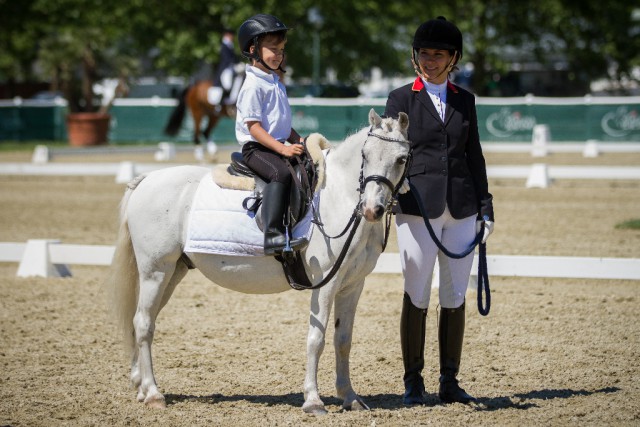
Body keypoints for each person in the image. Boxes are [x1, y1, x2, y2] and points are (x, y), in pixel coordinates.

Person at [384, 16, 495, 406]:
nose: (430, 61)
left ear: (453, 58)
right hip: (417, 207)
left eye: (439, 54)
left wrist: (485, 205)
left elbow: (473, 155)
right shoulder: (401, 99)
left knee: (454, 294)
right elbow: (391, 154)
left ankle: (450, 380)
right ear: (416, 57)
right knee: (416, 292)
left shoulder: (465, 100)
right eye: (425, 53)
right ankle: (413, 381)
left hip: (461, 207)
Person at [235, 13, 308, 256]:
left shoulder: (275, 82)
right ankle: (273, 235)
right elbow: (254, 127)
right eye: (273, 49)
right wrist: (284, 149)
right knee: (281, 173)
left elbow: (283, 125)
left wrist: (298, 140)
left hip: (276, 144)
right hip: (256, 148)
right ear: (254, 49)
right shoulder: (253, 85)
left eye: (281, 50)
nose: (279, 55)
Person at [214, 28, 240, 104]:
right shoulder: (224, 45)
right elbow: (227, 58)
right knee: (227, 83)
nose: (233, 37)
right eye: (232, 35)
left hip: (231, 66)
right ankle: (221, 101)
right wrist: (234, 63)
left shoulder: (230, 45)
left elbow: (234, 57)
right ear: (227, 35)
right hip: (226, 68)